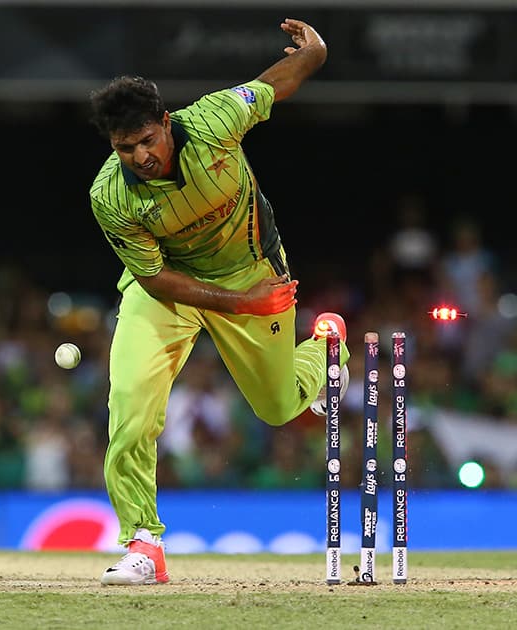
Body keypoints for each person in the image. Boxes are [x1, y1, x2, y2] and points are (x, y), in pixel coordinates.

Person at [87, 19, 349, 586]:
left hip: (254, 272)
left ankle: (326, 351)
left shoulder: (211, 121)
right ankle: (142, 543)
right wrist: (234, 301)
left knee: (280, 408)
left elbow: (276, 82)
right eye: (124, 149)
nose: (139, 157)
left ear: (165, 123)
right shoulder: (110, 196)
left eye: (146, 142)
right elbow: (156, 282)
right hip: (173, 290)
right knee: (129, 412)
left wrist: (316, 51)